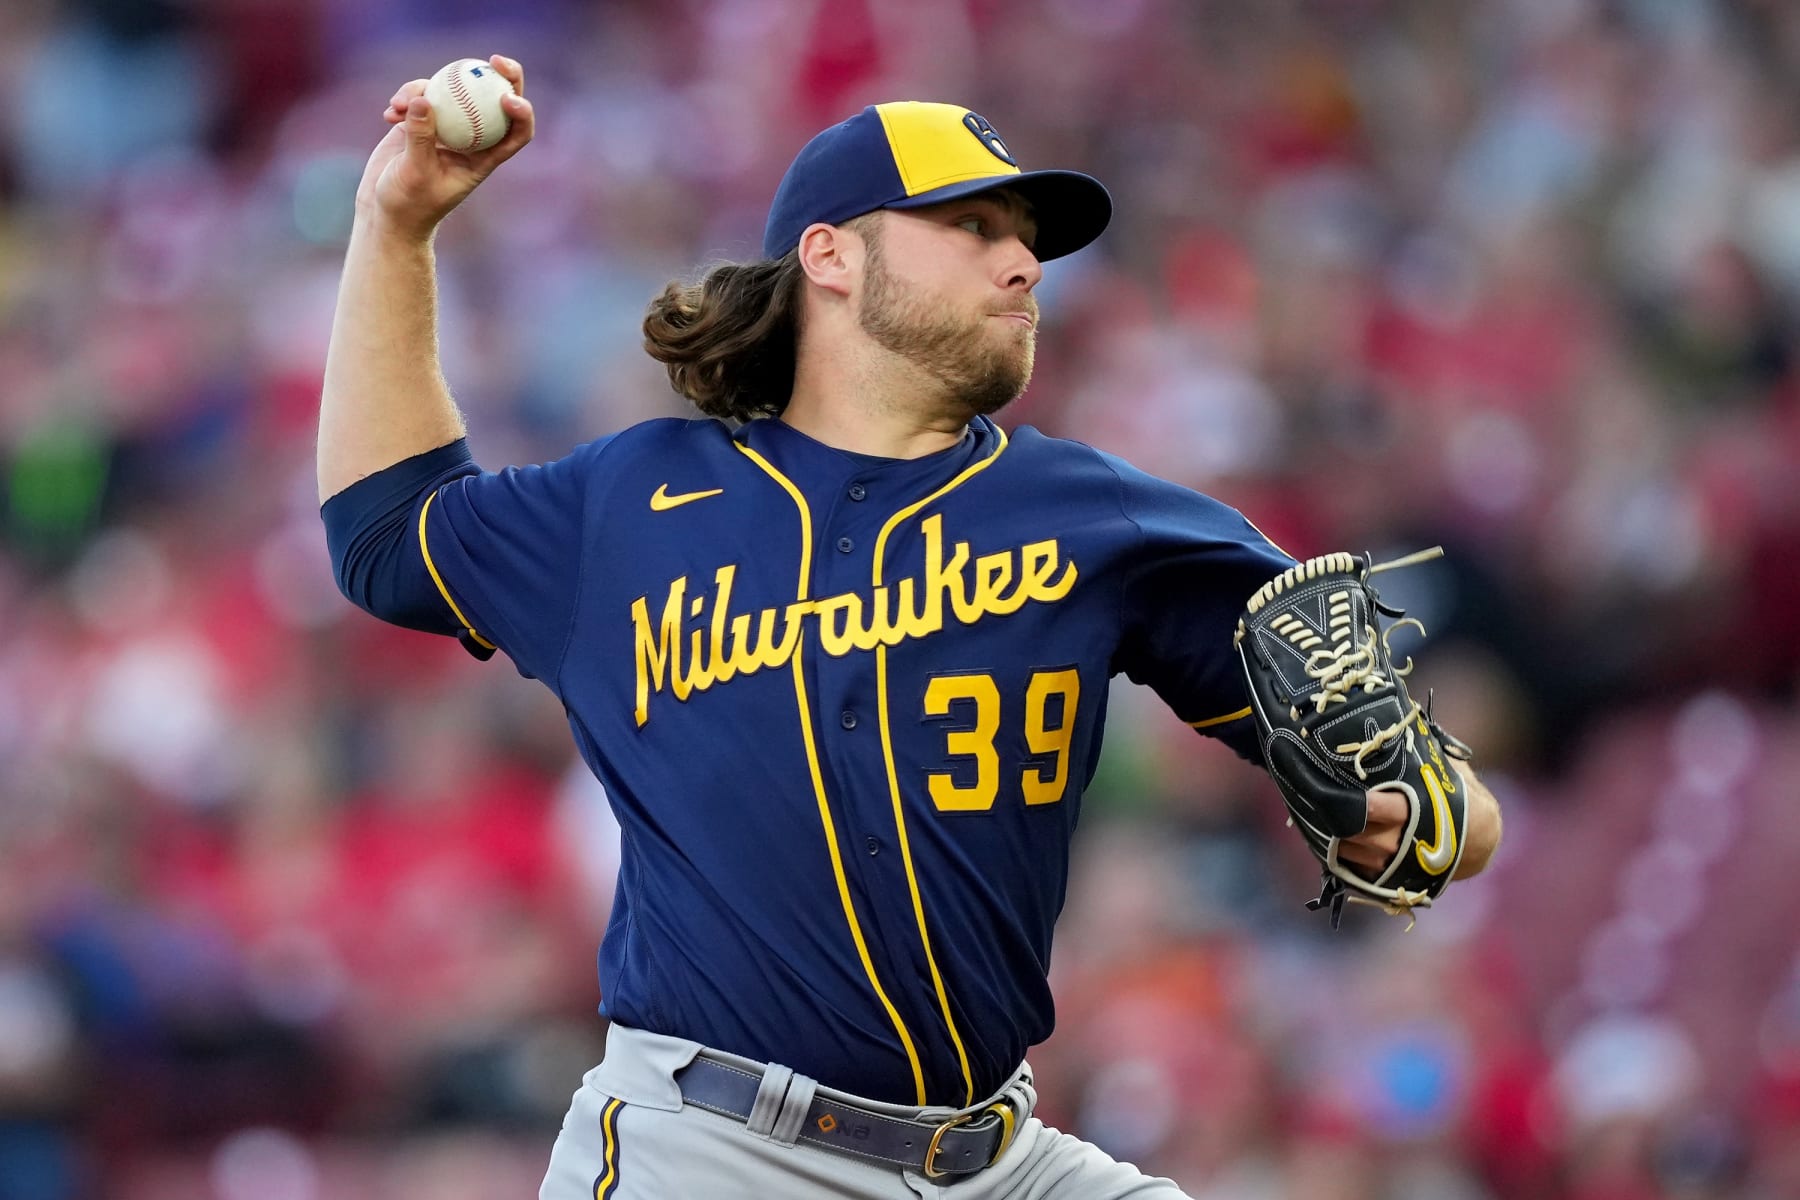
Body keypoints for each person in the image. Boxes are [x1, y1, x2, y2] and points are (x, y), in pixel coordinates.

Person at [319, 56, 1502, 1200]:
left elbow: (1434, 802)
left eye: (1028, 241)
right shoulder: (634, 503)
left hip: (996, 1158)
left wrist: (1424, 812)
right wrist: (397, 226)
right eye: (974, 227)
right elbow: (385, 534)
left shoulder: (1094, 516)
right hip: (717, 1152)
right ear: (830, 256)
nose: (1022, 264)